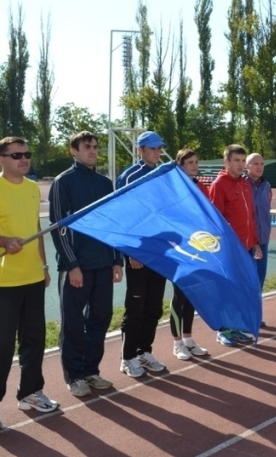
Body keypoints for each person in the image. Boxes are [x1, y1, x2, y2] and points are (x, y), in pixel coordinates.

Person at [0, 136, 59, 433]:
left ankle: (30, 393)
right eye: (16, 154)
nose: (23, 158)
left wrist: (44, 266)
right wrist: (3, 241)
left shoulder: (32, 189)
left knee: (34, 342)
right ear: (1, 159)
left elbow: (36, 230)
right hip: (2, 282)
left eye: (27, 153)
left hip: (32, 278)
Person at [49, 131, 124, 397]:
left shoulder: (106, 184)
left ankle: (91, 370)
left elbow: (113, 225)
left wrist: (117, 261)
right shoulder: (63, 182)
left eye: (95, 147)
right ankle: (75, 376)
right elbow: (58, 227)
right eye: (86, 147)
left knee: (100, 320)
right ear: (74, 151)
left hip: (103, 264)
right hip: (77, 267)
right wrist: (72, 265)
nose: (92, 151)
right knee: (73, 323)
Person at [113, 131, 170, 377]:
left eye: (160, 148)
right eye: (153, 148)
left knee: (154, 307)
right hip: (138, 254)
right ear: (141, 150)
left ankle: (144, 351)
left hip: (160, 252)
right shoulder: (130, 177)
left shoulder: (163, 174)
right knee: (136, 307)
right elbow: (123, 217)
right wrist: (130, 252)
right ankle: (127, 357)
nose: (157, 152)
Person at [209, 144, 262, 345]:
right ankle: (223, 330)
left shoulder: (246, 184)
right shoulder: (219, 184)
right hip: (229, 250)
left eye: (242, 160)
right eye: (236, 161)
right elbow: (215, 221)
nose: (240, 165)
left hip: (247, 247)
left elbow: (250, 216)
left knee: (241, 289)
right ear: (227, 162)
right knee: (227, 289)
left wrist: (255, 241)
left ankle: (236, 327)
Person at [170, 148, 211, 360]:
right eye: (189, 162)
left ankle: (188, 339)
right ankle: (177, 343)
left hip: (198, 248)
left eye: (196, 161)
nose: (194, 165)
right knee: (179, 295)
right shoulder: (173, 190)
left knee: (192, 294)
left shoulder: (201, 187)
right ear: (180, 165)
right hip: (180, 250)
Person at [245, 153, 272, 292]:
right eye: (255, 163)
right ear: (247, 166)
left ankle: (255, 311)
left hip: (263, 239)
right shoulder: (242, 185)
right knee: (248, 279)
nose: (259, 167)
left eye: (262, 164)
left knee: (260, 278)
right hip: (248, 241)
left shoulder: (266, 185)